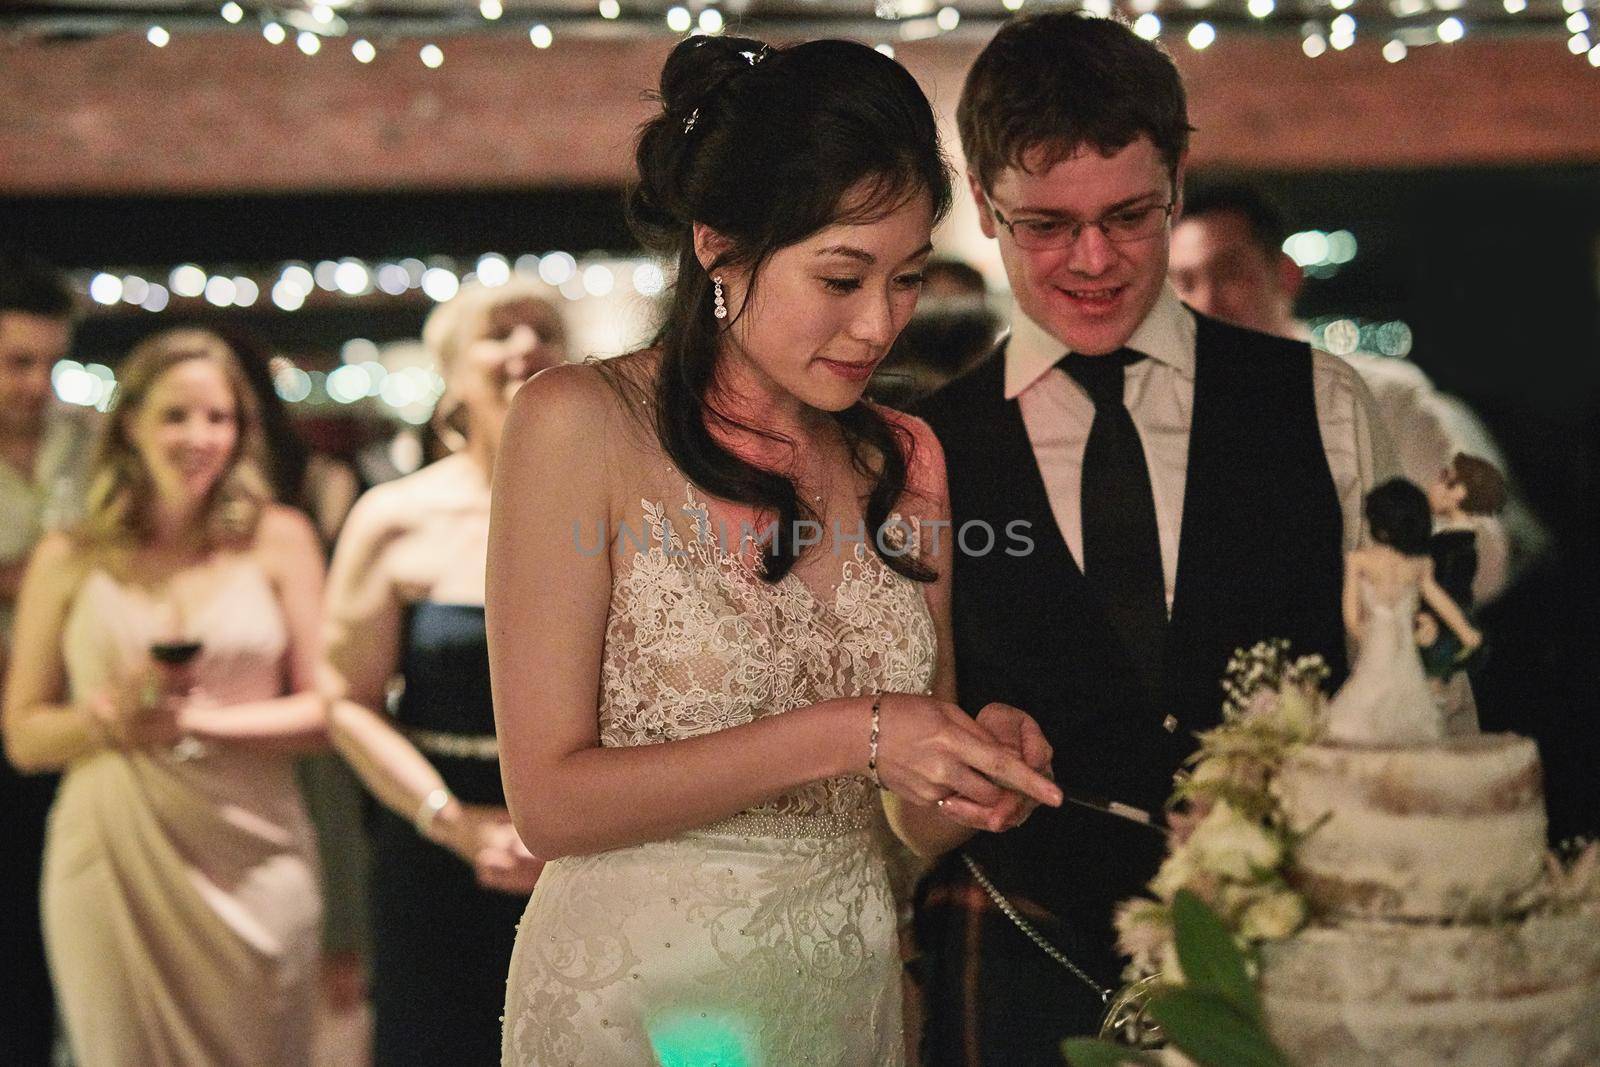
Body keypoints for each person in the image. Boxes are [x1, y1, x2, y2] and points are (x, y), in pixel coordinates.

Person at [491, 35, 1061, 1066]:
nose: (877, 323)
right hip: (642, 1004)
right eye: (841, 277)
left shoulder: (907, 455)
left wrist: (969, 772)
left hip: (847, 994)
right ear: (719, 245)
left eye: (906, 280)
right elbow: (549, 802)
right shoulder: (580, 420)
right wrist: (857, 727)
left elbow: (897, 826)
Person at [908, 13, 1393, 1061]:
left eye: (1129, 215)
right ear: (985, 209)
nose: (1092, 260)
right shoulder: (925, 449)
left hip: (1306, 959)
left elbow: (1411, 690)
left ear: (1176, 179)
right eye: (1045, 223)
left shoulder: (1321, 401)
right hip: (1030, 962)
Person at [2, 327, 328, 1066]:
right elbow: (24, 735)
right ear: (131, 427)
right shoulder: (69, 554)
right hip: (113, 854)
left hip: (255, 851)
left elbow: (326, 713)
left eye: (219, 418)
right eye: (177, 415)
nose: (199, 436)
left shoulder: (280, 539)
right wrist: (106, 718)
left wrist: (203, 721)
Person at [323, 279, 559, 1066]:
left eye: (545, 329)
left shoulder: (612, 508)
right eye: (500, 332)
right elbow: (345, 701)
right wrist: (454, 825)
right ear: (453, 374)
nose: (527, 345)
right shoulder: (394, 518)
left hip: (585, 840)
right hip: (434, 844)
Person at [1168, 180, 1536, 603]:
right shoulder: (1172, 412)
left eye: (1230, 272)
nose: (1206, 302)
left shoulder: (1383, 396)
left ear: (1285, 275)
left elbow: (1482, 557)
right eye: (1184, 282)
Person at [0, 257, 89, 1066]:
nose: (36, 384)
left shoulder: (88, 444)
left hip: (72, 716)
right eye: (16, 362)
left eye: (49, 362)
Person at [1326, 478, 1482, 745]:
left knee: (1389, 694)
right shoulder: (1400, 563)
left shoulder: (1371, 561)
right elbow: (1351, 615)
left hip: (1395, 641)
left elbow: (1352, 613)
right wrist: (1464, 631)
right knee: (1387, 692)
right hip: (1391, 640)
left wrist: (1464, 630)